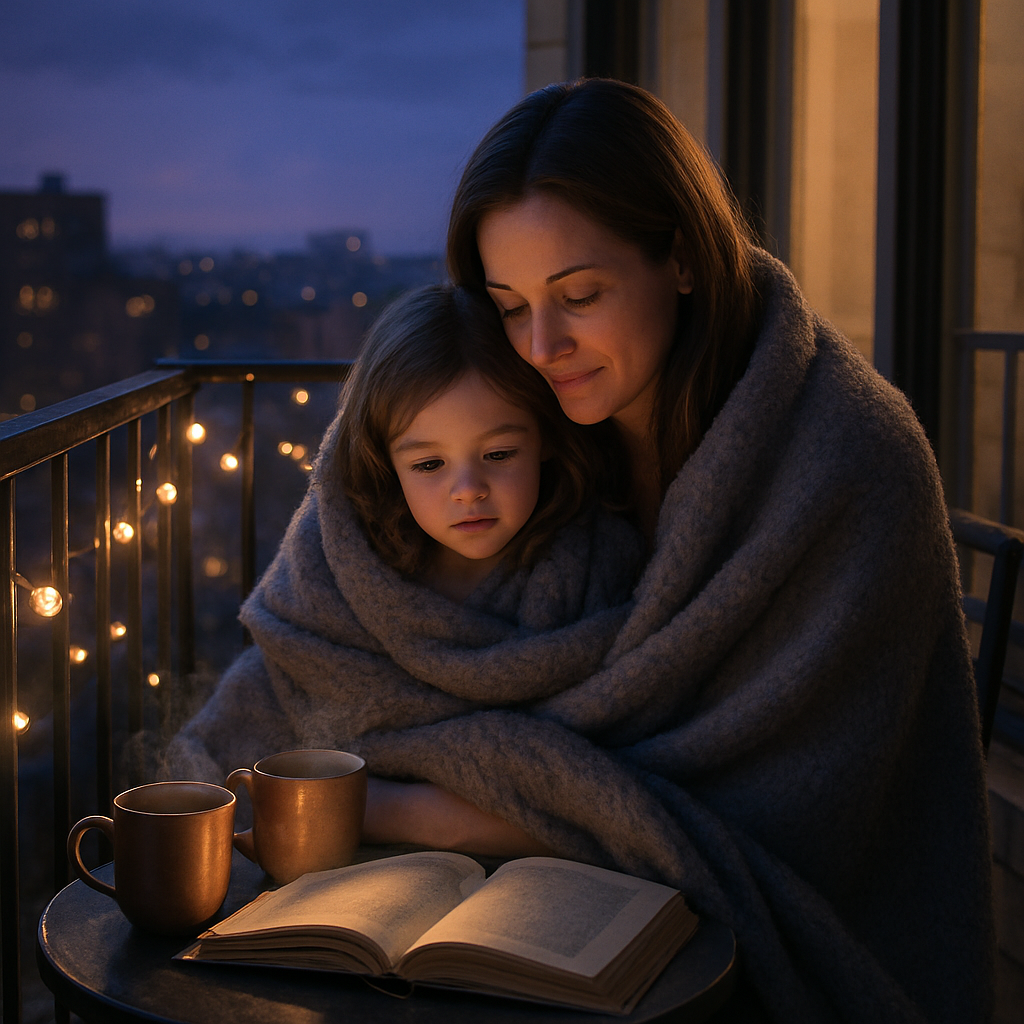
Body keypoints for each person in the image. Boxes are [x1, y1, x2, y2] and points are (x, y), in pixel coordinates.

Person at [431, 78, 993, 1022]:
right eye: (510, 306)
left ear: (684, 258)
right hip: (556, 920)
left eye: (579, 295)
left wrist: (402, 801)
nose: (542, 345)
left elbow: (769, 812)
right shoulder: (530, 439)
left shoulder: (850, 460)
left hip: (784, 954)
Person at [161, 283, 643, 856]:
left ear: (545, 440)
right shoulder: (334, 584)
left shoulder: (602, 570)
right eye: (430, 464)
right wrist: (428, 816)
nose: (468, 490)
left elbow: (628, 791)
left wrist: (387, 811)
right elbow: (233, 757)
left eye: (498, 454)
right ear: (387, 464)